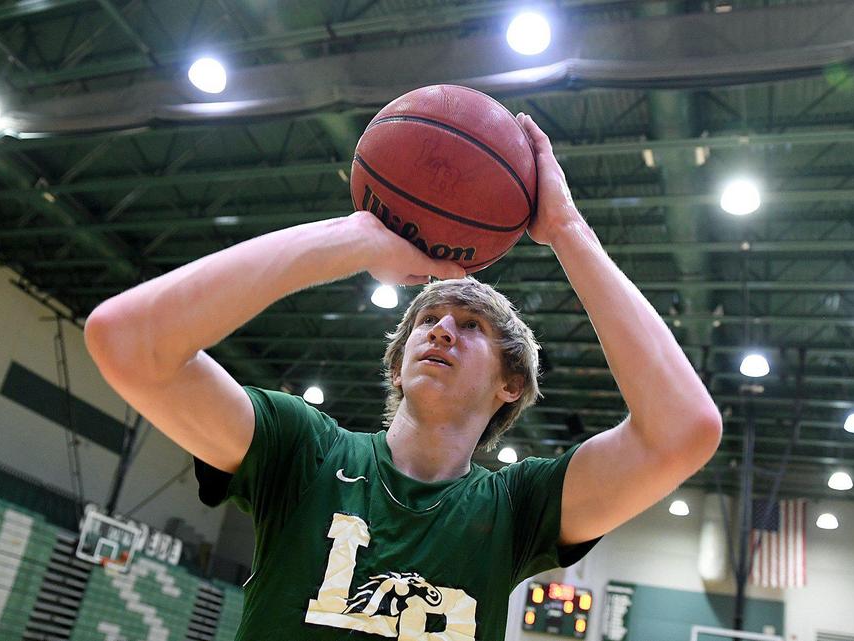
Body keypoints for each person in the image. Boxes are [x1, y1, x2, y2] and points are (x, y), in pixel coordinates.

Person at [84, 113, 722, 640]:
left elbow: (683, 431)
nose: (443, 329)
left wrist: (567, 231)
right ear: (396, 363)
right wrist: (355, 239)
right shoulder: (303, 451)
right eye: (429, 320)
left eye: (471, 326)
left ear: (512, 385)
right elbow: (127, 341)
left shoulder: (515, 508)